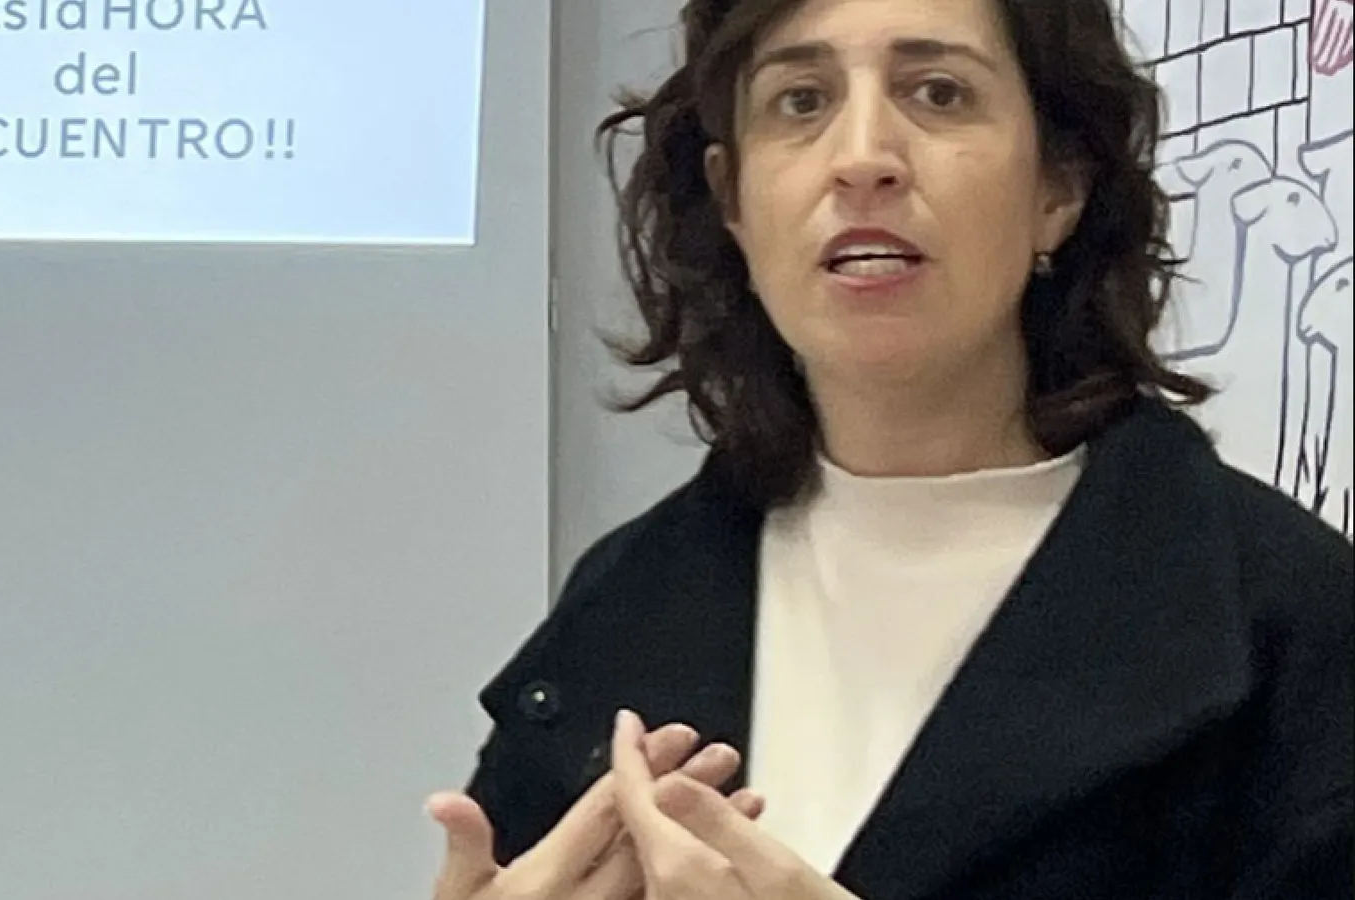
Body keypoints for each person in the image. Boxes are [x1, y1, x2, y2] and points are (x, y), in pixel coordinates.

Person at [428, 0, 1354, 896]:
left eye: (938, 93)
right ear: (732, 196)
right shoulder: (626, 598)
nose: (863, 158)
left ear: (1059, 186)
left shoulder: (1293, 623)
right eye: (801, 101)